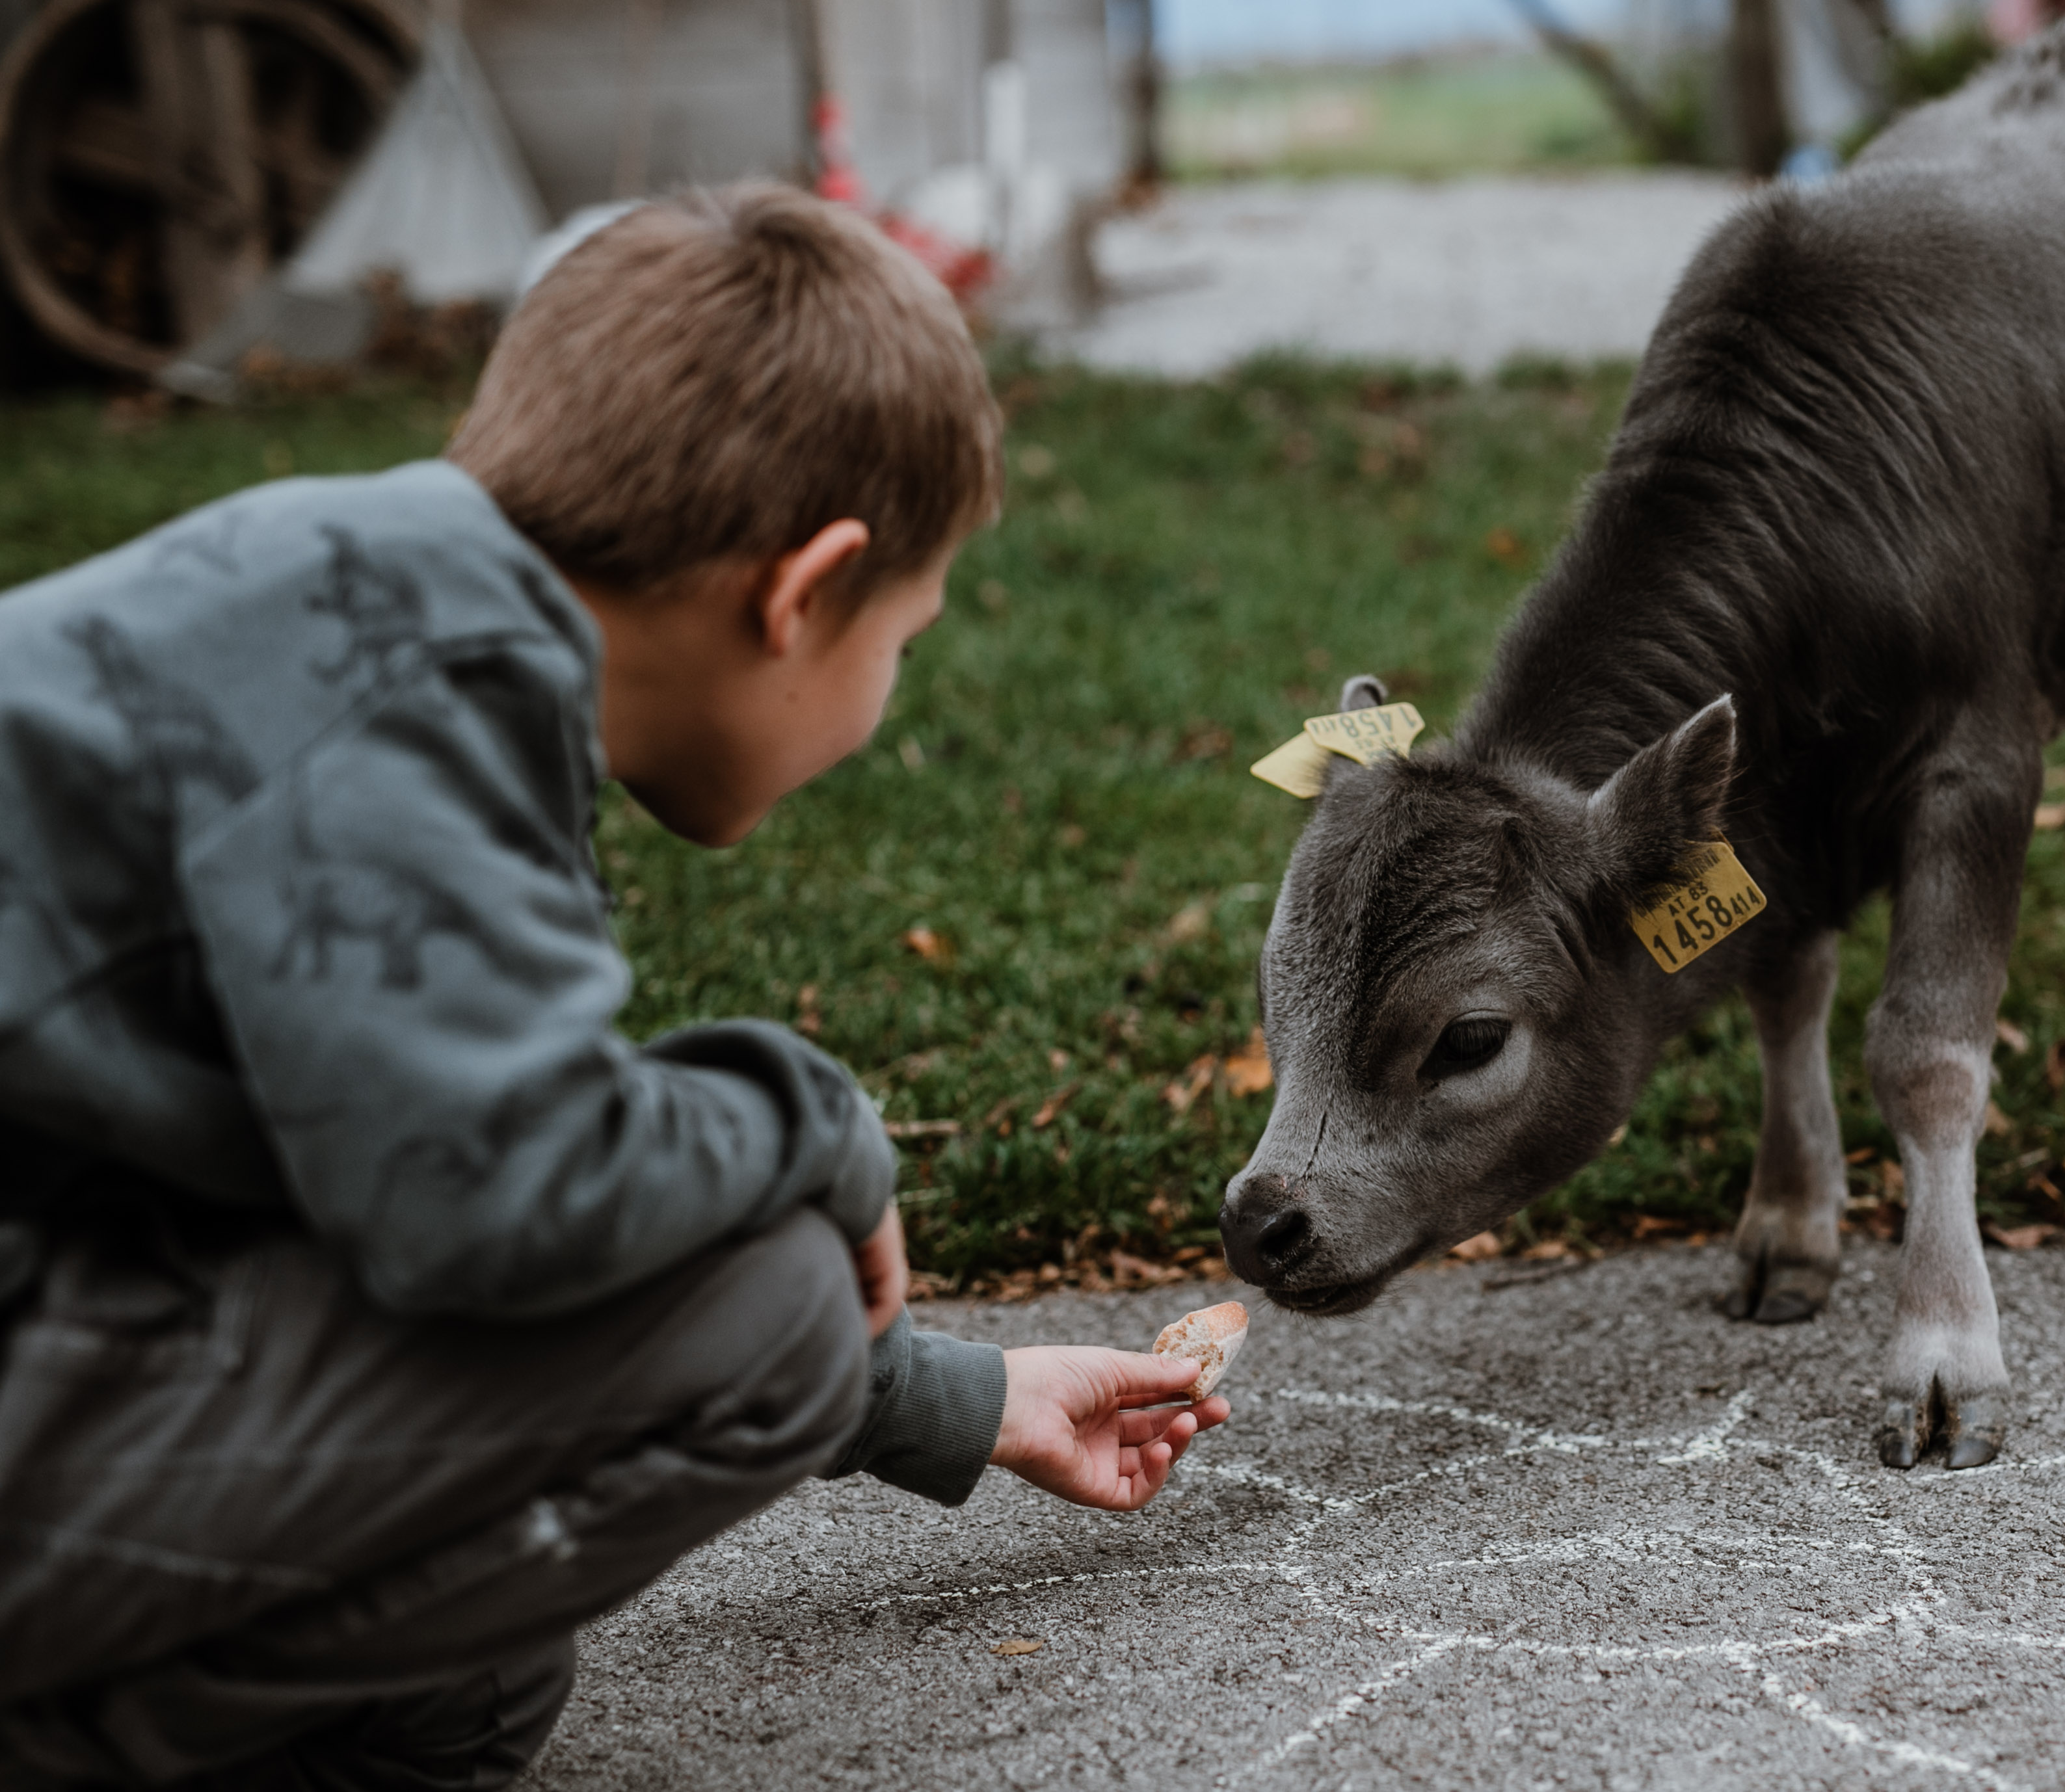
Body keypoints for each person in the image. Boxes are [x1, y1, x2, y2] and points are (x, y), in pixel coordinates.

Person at [0, 181, 1230, 1790]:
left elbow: (432, 1187)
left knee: (474, 1681)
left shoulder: (389, 609)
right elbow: (500, 1203)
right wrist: (822, 1120)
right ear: (802, 592)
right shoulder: (410, 675)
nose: (892, 683)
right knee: (772, 1296)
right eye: (904, 638)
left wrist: (963, 1398)